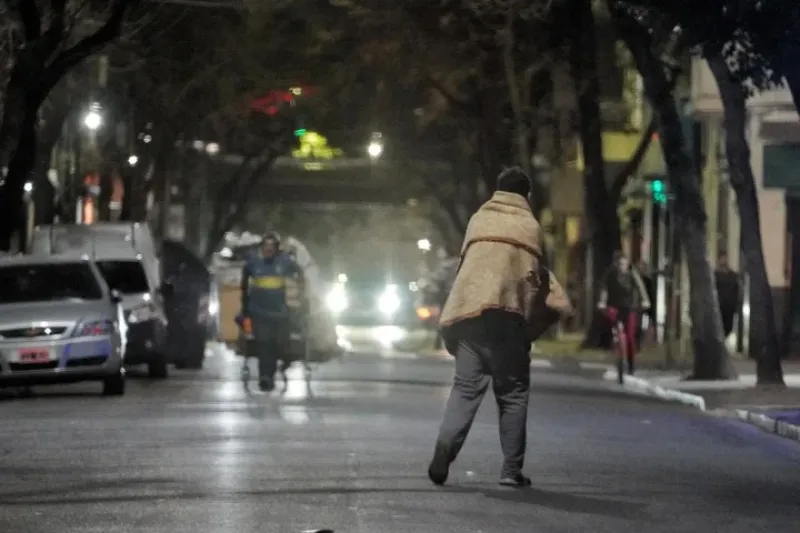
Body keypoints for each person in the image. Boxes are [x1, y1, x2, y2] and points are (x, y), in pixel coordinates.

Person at [428, 167, 569, 488]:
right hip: (507, 320)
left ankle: (444, 448)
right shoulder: (530, 227)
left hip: (469, 316)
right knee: (513, 395)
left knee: (465, 390)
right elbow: (533, 279)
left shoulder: (478, 219)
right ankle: (510, 470)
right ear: (526, 196)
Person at [240, 232, 304, 392]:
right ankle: (265, 377)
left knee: (279, 345)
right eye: (265, 246)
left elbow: (299, 273)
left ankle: (280, 367)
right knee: (264, 344)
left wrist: (299, 296)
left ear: (276, 248)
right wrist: (245, 304)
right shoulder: (253, 263)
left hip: (281, 313)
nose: (268, 249)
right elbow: (244, 281)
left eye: (271, 246)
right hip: (260, 312)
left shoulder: (285, 262)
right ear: (262, 248)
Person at [597, 251, 651, 374]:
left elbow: (640, 288)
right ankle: (615, 339)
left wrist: (645, 300)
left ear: (627, 264)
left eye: (623, 263)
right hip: (614, 306)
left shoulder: (632, 274)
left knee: (630, 336)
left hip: (629, 307)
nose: (621, 266)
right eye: (619, 263)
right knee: (612, 322)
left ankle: (631, 364)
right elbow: (604, 289)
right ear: (615, 264)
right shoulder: (609, 275)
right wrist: (602, 302)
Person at [714, 252, 740, 339]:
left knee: (728, 326)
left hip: (729, 306)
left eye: (725, 258)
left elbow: (736, 291)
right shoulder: (715, 275)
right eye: (722, 258)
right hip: (719, 306)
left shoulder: (733, 276)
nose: (723, 260)